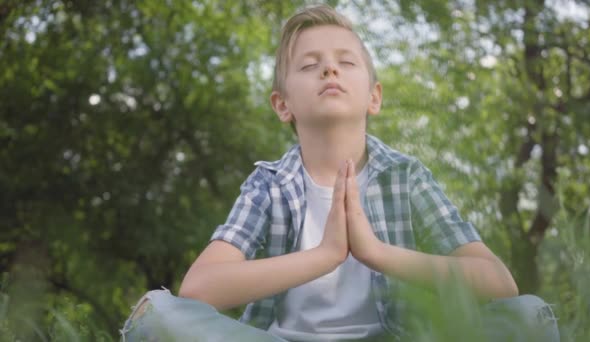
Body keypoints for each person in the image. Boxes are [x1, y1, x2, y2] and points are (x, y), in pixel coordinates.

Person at [120, 4, 559, 341]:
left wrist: (375, 252)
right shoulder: (269, 184)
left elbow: (498, 282)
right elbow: (200, 287)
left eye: (346, 62)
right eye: (309, 65)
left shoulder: (406, 177)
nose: (329, 68)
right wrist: (325, 255)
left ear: (374, 96)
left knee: (528, 315)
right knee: (158, 316)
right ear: (282, 104)